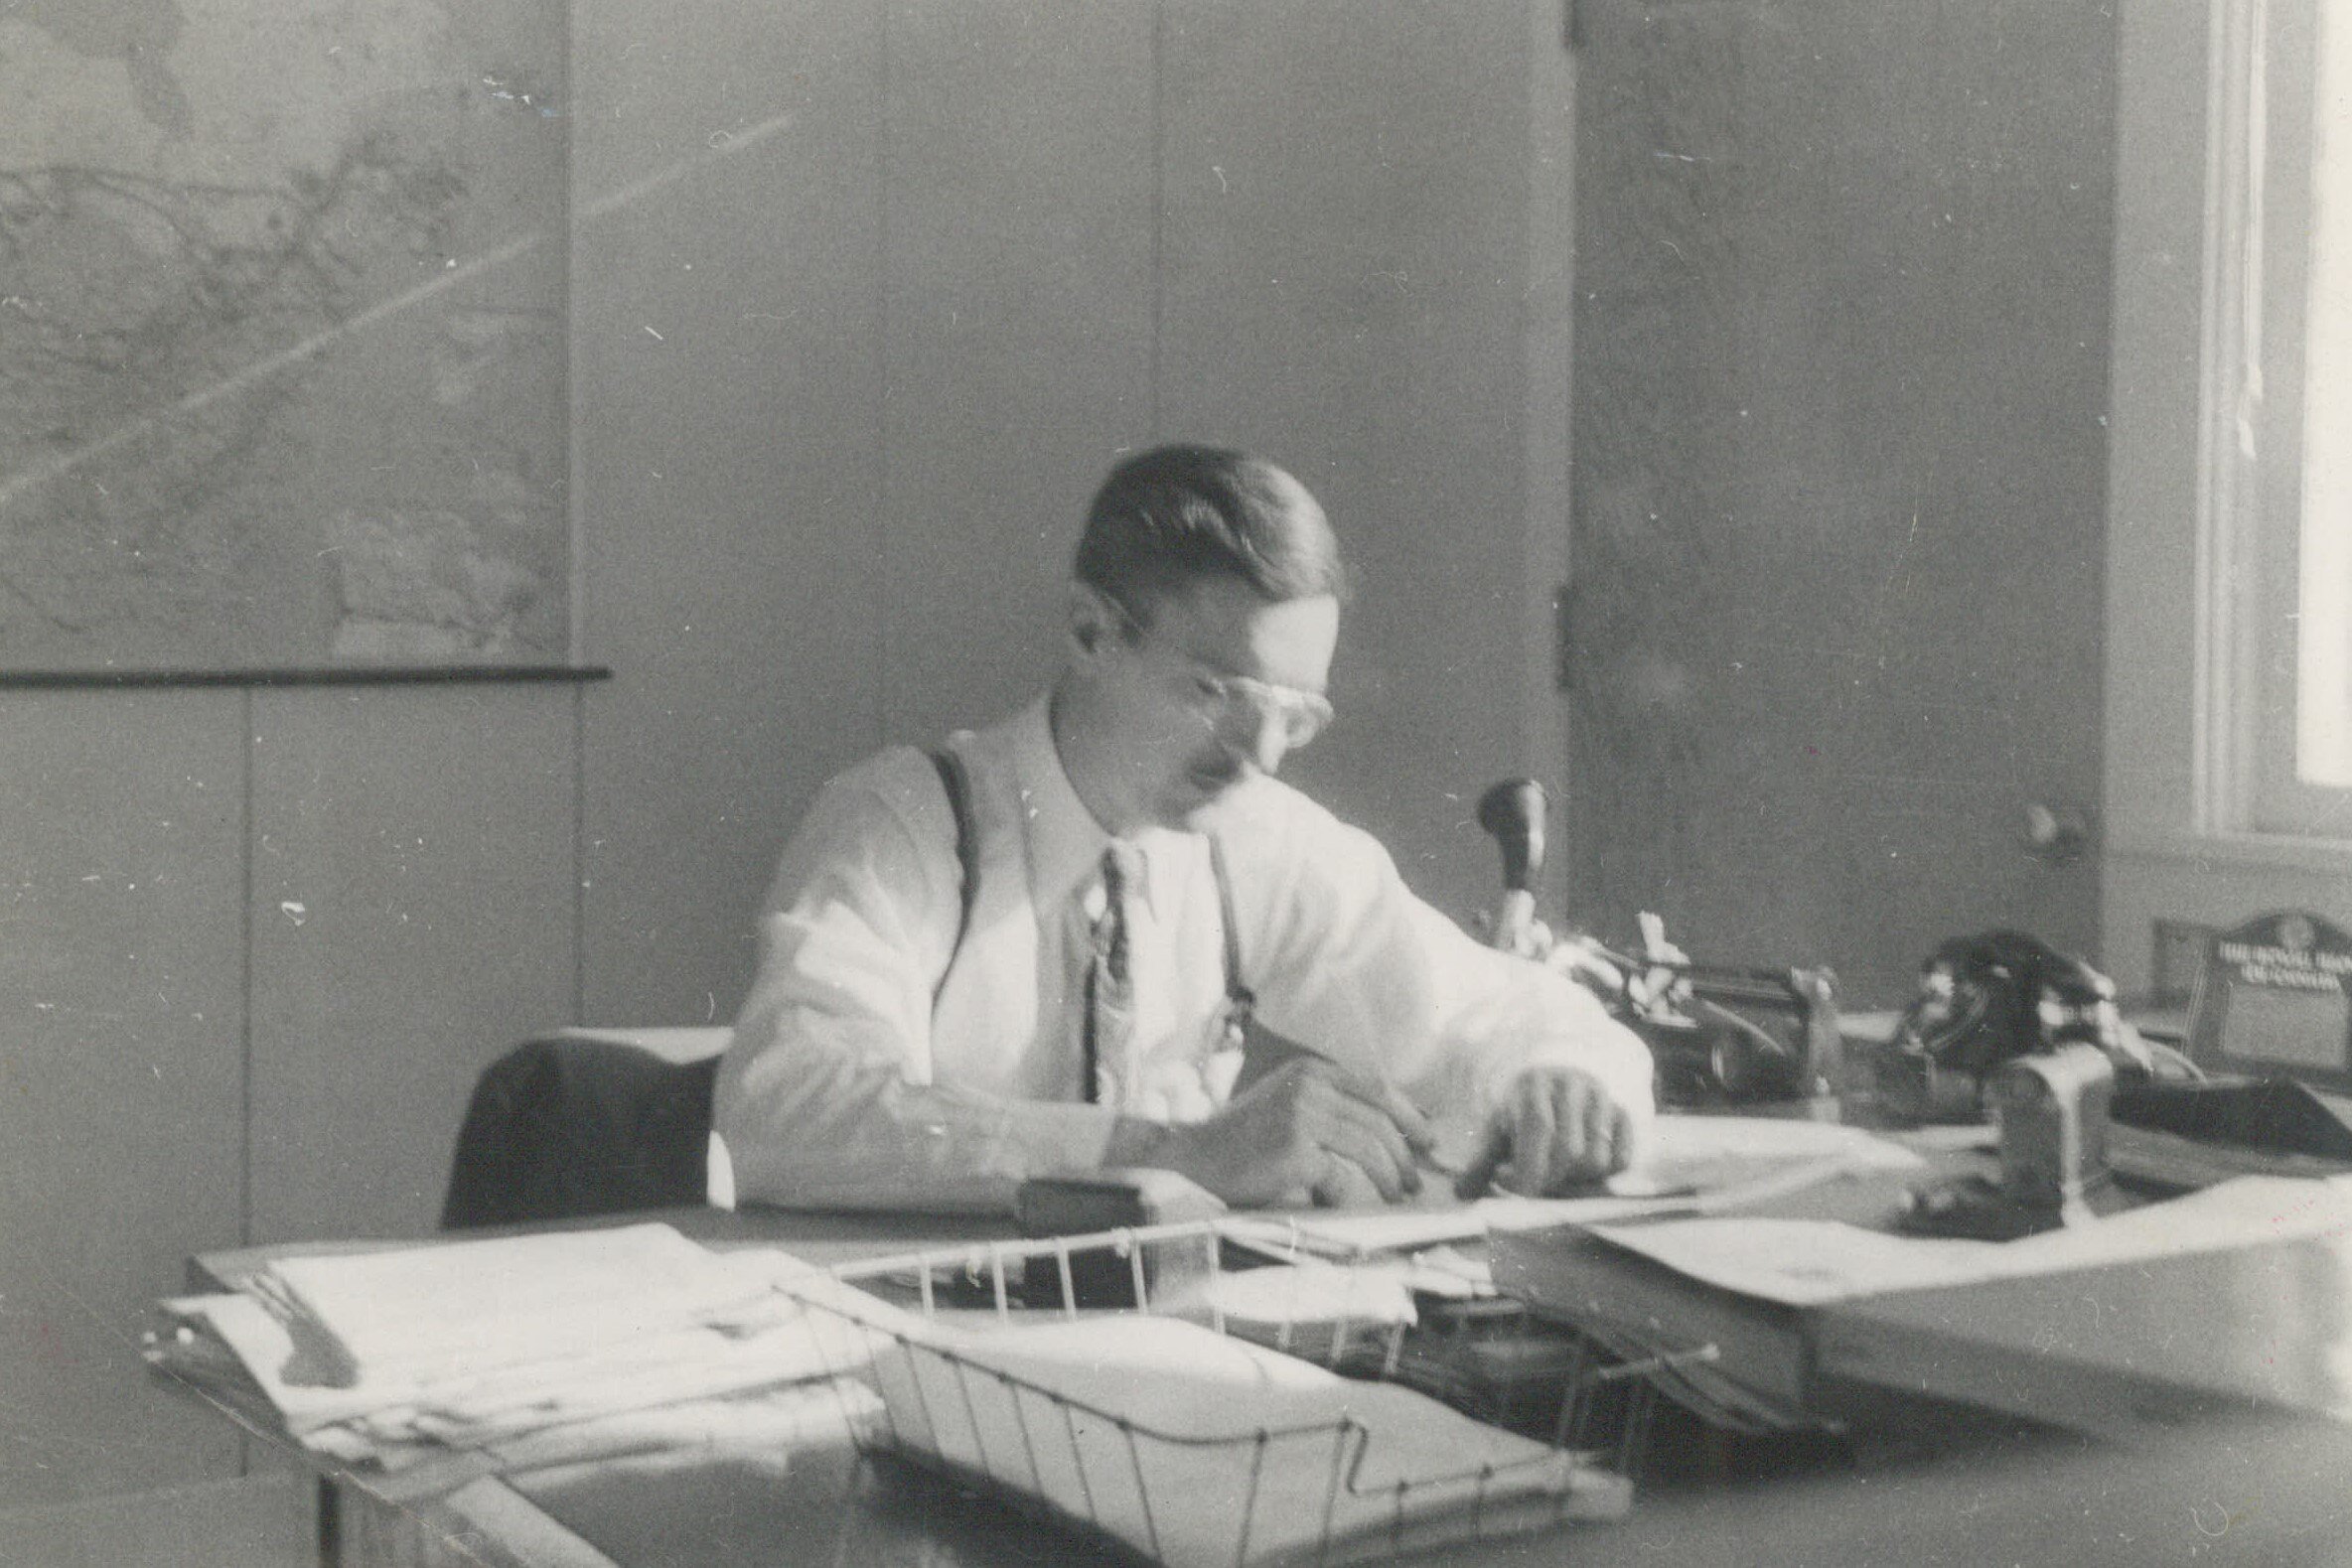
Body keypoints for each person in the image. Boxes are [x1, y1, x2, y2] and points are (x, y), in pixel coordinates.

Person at [714, 444, 1655, 1213]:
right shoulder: (911, 822)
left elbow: (1500, 1011)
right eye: (1217, 693)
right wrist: (1173, 1153)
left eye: (1297, 713)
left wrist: (1559, 1077)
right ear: (1089, 633)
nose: (1264, 751)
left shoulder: (1252, 839)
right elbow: (786, 1107)